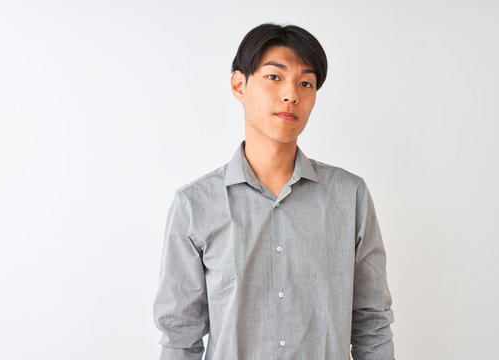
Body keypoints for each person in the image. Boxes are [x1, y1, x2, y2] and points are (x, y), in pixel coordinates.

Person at [153, 23, 395, 360]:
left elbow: (372, 325)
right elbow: (180, 336)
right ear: (239, 84)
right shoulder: (194, 205)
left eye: (305, 83)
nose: (291, 94)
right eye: (274, 77)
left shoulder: (349, 196)